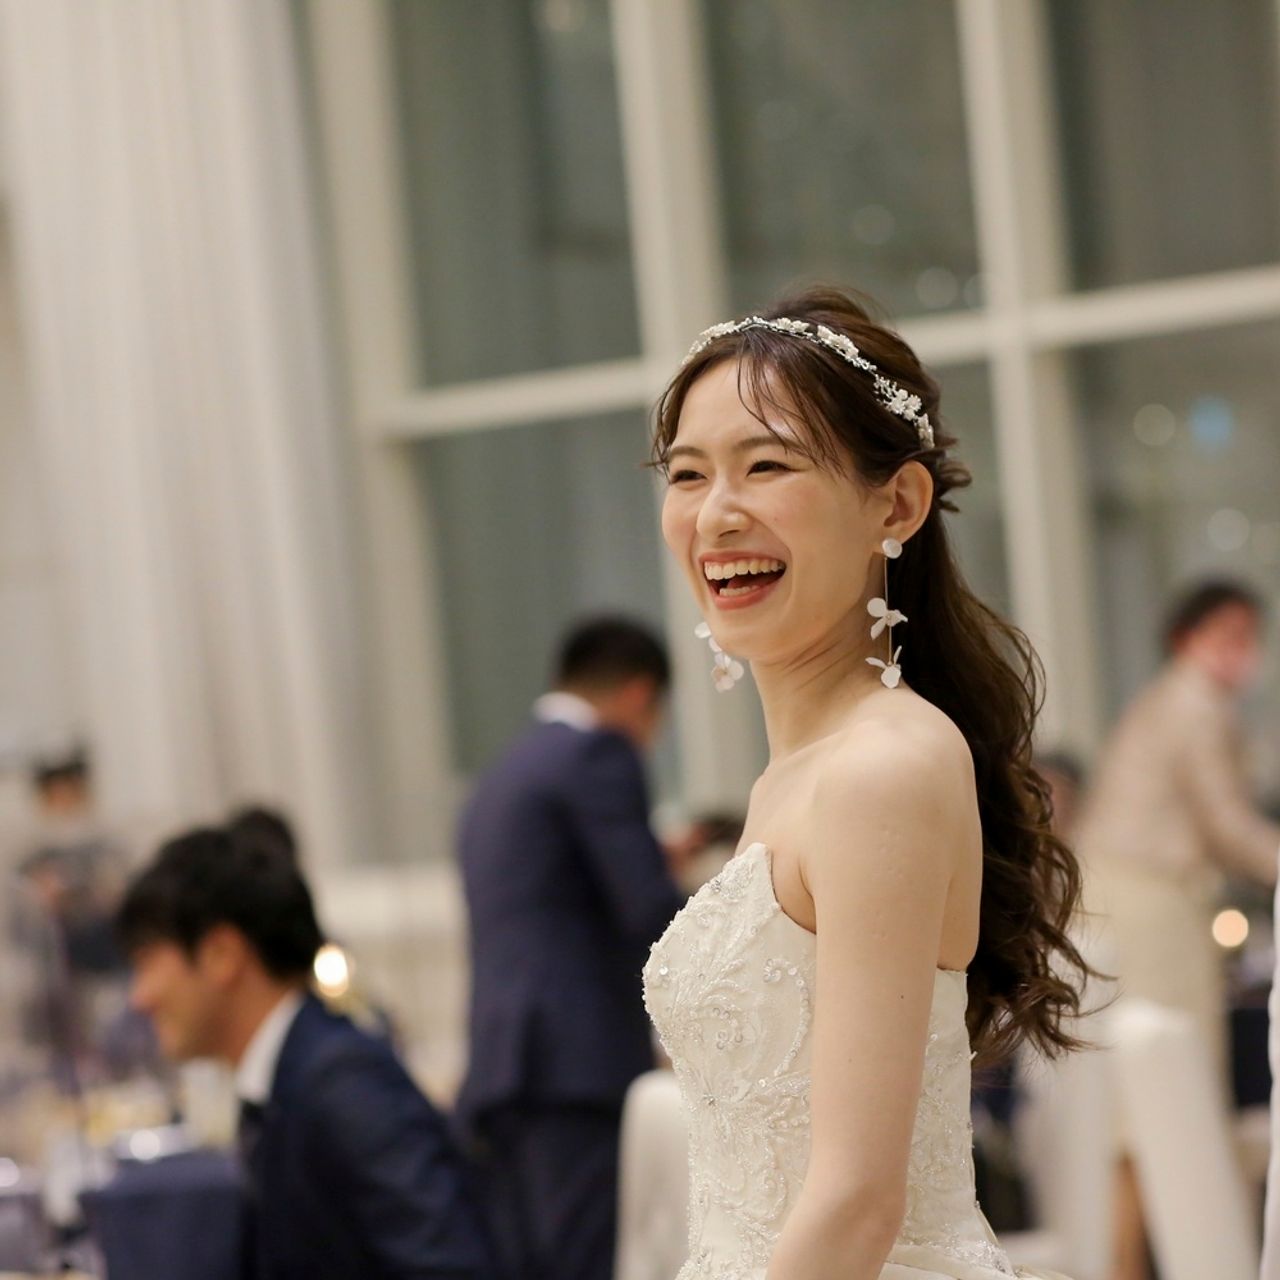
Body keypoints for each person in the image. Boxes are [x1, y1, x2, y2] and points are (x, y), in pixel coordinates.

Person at [642, 288, 1088, 1279]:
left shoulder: (881, 768)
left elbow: (855, 1200)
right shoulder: (798, 775)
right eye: (687, 473)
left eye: (766, 465)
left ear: (897, 504)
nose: (716, 513)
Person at [117, 824, 495, 1280]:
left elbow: (449, 1266)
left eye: (146, 964)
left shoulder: (342, 1083)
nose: (139, 997)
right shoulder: (289, 1076)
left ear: (222, 955)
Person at [456, 616, 686, 1280]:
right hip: (577, 1061)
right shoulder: (599, 754)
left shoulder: (501, 773)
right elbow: (647, 908)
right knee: (584, 1261)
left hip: (504, 1062)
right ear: (640, 694)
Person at [1074, 579, 1280, 1280]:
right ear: (1187, 638)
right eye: (1229, 635)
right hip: (1149, 909)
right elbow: (1228, 825)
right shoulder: (1193, 703)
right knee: (1159, 1098)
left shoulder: (1174, 700)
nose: (1244, 651)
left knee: (1138, 1104)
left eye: (1249, 635)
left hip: (1132, 902)